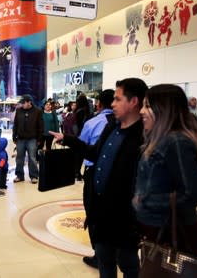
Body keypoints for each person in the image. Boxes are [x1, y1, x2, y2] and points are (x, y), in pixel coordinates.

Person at [50, 78, 148, 278]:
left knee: (129, 265)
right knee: (104, 261)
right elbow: (94, 153)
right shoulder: (111, 127)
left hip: (125, 218)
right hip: (101, 212)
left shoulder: (145, 137)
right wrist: (68, 140)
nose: (112, 104)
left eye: (118, 99)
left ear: (134, 101)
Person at [133, 84, 197, 255]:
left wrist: (145, 200)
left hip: (174, 233)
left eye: (147, 106)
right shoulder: (160, 139)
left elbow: (192, 194)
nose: (141, 111)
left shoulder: (176, 142)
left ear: (164, 109)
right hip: (158, 229)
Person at [78, 89, 115, 269]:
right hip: (116, 175)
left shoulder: (93, 122)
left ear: (99, 103)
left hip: (94, 173)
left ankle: (99, 254)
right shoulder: (124, 123)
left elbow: (82, 146)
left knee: (93, 212)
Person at [12, 94, 43, 184]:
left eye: (23, 103)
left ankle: (34, 176)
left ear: (29, 102)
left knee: (32, 158)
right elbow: (15, 125)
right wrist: (14, 136)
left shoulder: (37, 111)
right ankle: (19, 175)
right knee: (19, 158)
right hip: (20, 139)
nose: (21, 105)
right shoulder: (18, 111)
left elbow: (40, 126)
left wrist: (39, 139)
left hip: (32, 139)